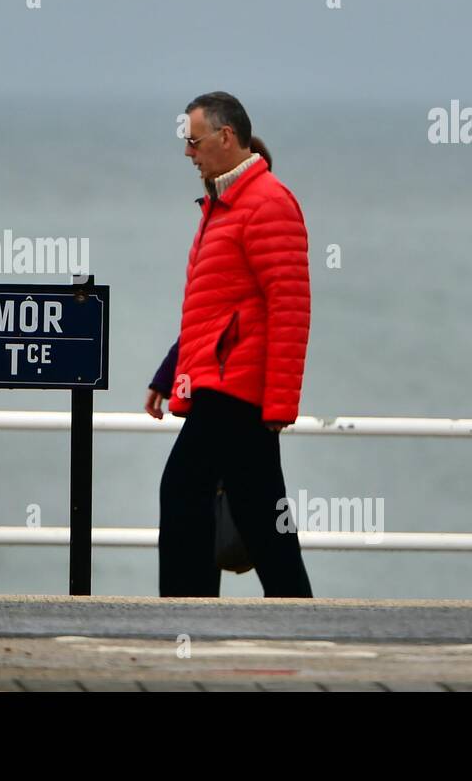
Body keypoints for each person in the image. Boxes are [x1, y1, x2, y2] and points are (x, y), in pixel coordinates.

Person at [146, 91, 314, 598]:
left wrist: (280, 403)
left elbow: (291, 306)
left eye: (193, 141)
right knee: (261, 513)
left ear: (226, 136)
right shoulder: (221, 207)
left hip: (238, 389)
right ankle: (299, 616)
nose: (187, 153)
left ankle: (184, 619)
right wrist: (168, 371)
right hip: (222, 383)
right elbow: (214, 310)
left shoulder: (267, 203)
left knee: (183, 491)